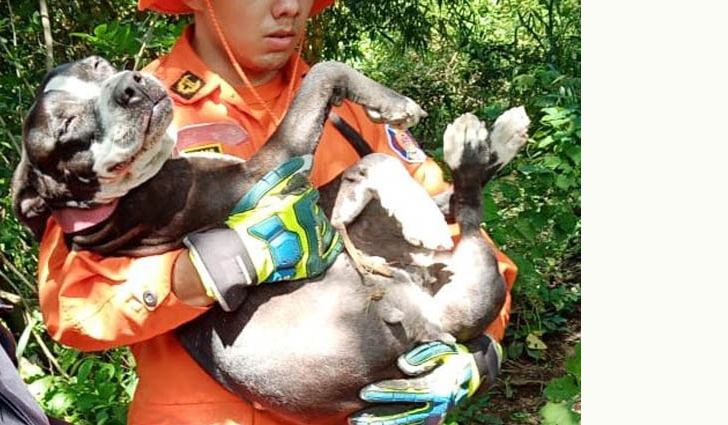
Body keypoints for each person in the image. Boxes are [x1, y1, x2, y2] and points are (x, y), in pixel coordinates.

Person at [34, 0, 519, 423]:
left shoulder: (355, 112)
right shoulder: (128, 116)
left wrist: (480, 352)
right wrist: (203, 272)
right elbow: (70, 308)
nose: (288, 7)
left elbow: (458, 236)